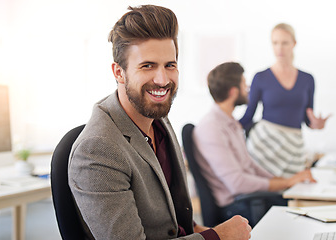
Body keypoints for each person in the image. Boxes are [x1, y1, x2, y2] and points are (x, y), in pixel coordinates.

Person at [68, 5, 251, 240]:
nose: (163, 80)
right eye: (147, 66)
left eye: (170, 65)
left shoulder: (157, 117)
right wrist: (217, 237)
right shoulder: (97, 150)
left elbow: (172, 217)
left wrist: (204, 231)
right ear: (119, 72)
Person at [193, 62, 316, 225]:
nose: (248, 88)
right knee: (304, 214)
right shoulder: (211, 127)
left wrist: (282, 181)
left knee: (304, 203)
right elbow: (237, 183)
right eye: (244, 84)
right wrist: (286, 183)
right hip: (237, 208)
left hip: (249, 200)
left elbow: (250, 165)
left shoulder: (232, 124)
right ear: (233, 92)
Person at [239, 23, 330, 178]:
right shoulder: (260, 77)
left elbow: (307, 119)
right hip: (264, 144)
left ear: (294, 44)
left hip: (294, 146)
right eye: (275, 43)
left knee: (290, 192)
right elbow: (249, 116)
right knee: (263, 191)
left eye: (284, 43)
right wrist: (223, 126)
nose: (279, 48)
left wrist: (316, 124)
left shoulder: (307, 79)